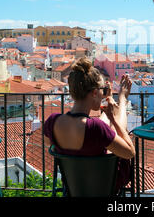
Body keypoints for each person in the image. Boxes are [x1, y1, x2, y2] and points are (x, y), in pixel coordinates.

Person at [43, 58, 135, 194]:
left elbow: (48, 143)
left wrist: (108, 101)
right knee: (114, 132)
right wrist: (120, 102)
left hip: (73, 190)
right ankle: (123, 101)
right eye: (102, 90)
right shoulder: (95, 128)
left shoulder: (52, 121)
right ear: (94, 93)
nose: (103, 94)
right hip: (103, 189)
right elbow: (129, 153)